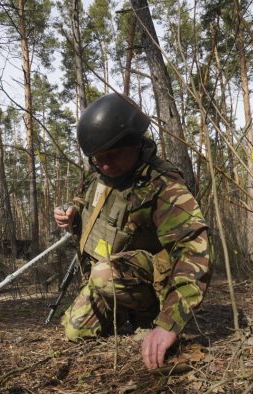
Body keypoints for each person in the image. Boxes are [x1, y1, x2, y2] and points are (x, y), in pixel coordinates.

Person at [54, 93, 211, 370]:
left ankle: (150, 315)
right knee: (75, 331)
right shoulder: (98, 174)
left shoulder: (163, 184)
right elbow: (85, 198)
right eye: (98, 159)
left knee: (103, 273)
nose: (105, 165)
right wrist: (72, 211)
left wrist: (169, 323)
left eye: (113, 155)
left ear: (136, 142)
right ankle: (124, 310)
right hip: (110, 278)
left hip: (145, 281)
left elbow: (193, 248)